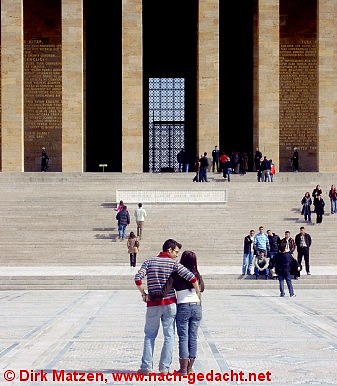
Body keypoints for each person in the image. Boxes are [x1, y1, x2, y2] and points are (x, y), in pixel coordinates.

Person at [134, 239, 200, 375]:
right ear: (169, 250)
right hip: (170, 304)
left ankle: (146, 367)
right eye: (176, 252)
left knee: (149, 335)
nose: (177, 255)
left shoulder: (149, 261)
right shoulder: (173, 264)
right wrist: (198, 295)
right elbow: (192, 278)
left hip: (153, 304)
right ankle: (164, 368)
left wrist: (144, 294)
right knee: (169, 336)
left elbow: (138, 278)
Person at [162, 250, 204, 375]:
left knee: (183, 337)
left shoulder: (177, 274)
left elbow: (166, 289)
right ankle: (190, 367)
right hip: (197, 306)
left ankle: (183, 368)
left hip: (183, 306)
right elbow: (202, 288)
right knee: (193, 337)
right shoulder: (196, 274)